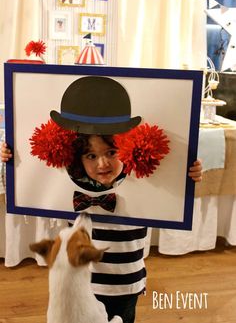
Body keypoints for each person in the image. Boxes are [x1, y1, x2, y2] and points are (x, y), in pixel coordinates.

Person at [1, 135, 202, 323]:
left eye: (111, 152)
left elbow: (173, 199)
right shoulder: (68, 188)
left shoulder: (142, 186)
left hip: (127, 282)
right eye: (91, 155)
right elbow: (29, 185)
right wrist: (12, 162)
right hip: (85, 287)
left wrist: (186, 176)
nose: (102, 163)